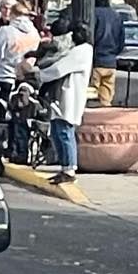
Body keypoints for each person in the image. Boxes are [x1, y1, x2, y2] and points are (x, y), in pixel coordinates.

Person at [37, 23, 95, 185]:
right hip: (62, 96)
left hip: (69, 97)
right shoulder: (79, 51)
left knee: (64, 131)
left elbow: (58, 70)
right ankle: (64, 167)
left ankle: (69, 168)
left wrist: (38, 75)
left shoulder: (81, 52)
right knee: (56, 131)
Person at [91, 0, 126, 107]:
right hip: (111, 62)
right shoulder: (116, 16)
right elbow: (121, 40)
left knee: (90, 97)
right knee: (106, 101)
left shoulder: (92, 14)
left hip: (94, 60)